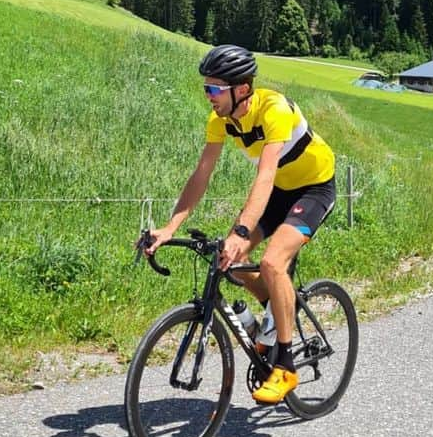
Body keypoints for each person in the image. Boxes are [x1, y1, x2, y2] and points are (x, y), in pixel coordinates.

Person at [144, 44, 336, 404]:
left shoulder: (274, 110)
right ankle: (276, 306)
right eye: (206, 88)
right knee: (225, 258)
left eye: (215, 89)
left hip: (312, 189)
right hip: (279, 192)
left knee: (271, 261)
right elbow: (201, 174)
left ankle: (285, 364)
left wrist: (242, 231)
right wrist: (170, 227)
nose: (208, 97)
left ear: (242, 89)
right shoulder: (220, 121)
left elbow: (264, 175)